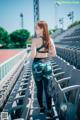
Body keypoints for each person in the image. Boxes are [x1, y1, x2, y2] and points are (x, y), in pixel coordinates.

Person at [28, 20, 57, 118]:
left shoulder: (34, 40)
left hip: (37, 65)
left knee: (39, 89)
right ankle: (49, 110)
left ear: (42, 29)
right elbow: (54, 54)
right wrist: (46, 54)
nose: (35, 29)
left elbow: (32, 55)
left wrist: (36, 54)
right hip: (47, 64)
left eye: (37, 28)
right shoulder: (50, 39)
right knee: (47, 89)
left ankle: (41, 108)